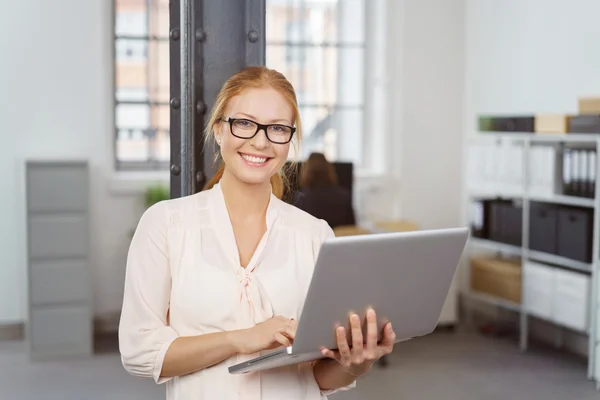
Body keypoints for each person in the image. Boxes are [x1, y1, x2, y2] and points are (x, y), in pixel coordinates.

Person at [118, 66, 396, 399]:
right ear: (219, 130)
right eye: (245, 123)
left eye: (277, 128)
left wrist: (356, 364)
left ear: (289, 140)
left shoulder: (315, 235)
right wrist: (240, 338)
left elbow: (317, 377)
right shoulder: (166, 224)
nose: (261, 141)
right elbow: (138, 352)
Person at [293, 152, 356, 230]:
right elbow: (351, 227)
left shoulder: (301, 199)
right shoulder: (344, 195)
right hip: (337, 240)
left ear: (306, 171)